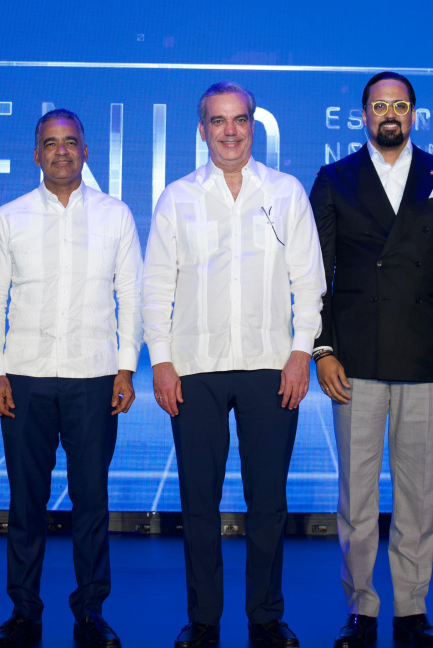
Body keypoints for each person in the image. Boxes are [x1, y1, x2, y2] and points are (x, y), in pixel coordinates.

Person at [143, 82, 325, 648]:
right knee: (198, 500)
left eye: (239, 120)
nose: (229, 131)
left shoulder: (288, 192)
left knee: (267, 500)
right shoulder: (177, 197)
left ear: (253, 125)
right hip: (194, 366)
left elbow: (310, 281)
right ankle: (203, 620)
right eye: (217, 121)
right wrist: (162, 362)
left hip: (272, 364)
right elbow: (155, 288)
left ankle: (265, 616)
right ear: (202, 130)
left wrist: (301, 354)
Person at [309, 72, 433, 648]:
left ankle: (411, 611)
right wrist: (322, 348)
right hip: (353, 358)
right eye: (379, 105)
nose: (390, 113)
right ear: (363, 116)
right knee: (356, 499)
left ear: (413, 115)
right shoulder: (333, 179)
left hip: (427, 355)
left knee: (416, 496)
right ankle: (361, 609)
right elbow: (313, 275)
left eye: (400, 105)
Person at [0, 109, 143, 648]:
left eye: (71, 142)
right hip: (23, 376)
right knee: (26, 502)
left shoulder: (116, 214)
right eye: (51, 143)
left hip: (95, 376)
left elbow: (131, 295)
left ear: (86, 151)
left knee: (91, 499)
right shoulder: (10, 216)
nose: (62, 151)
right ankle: (24, 612)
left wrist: (126, 366)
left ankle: (90, 610)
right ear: (36, 155)